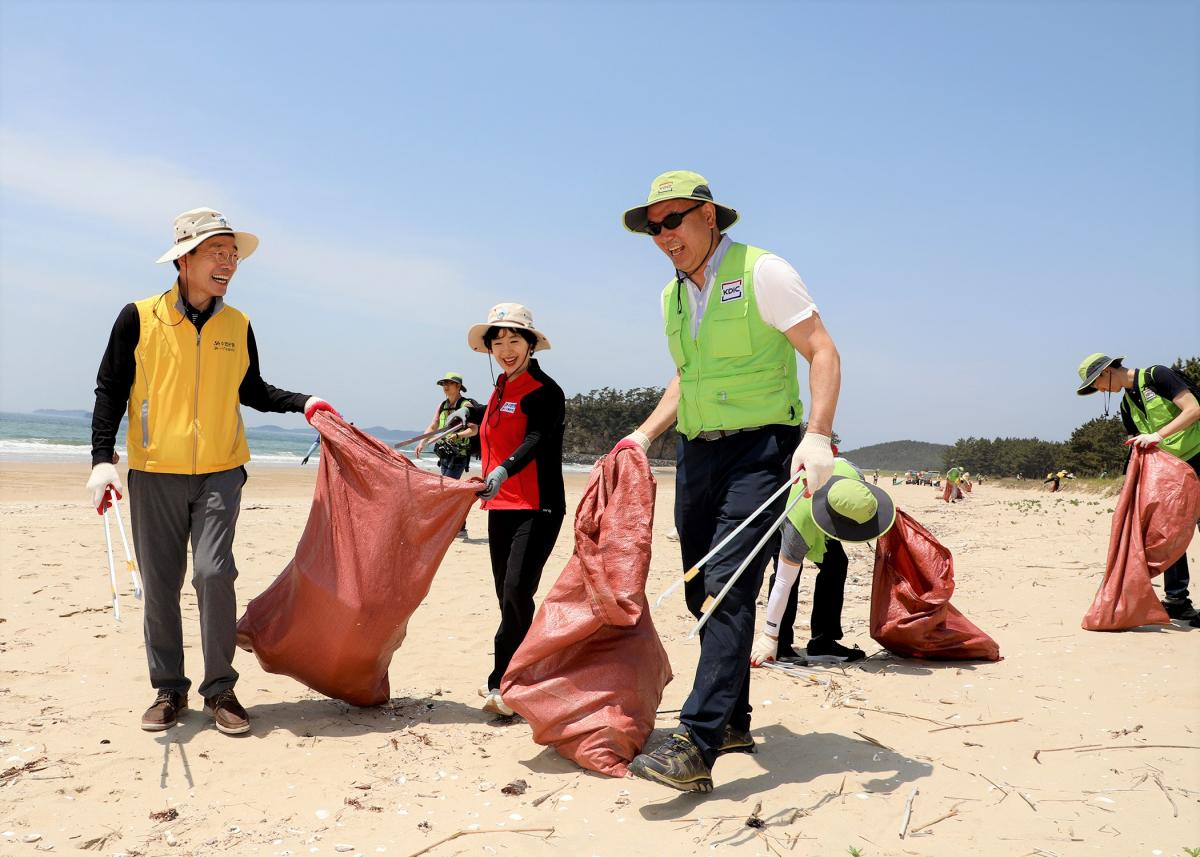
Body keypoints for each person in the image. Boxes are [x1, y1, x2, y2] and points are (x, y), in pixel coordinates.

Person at [616, 171, 841, 792]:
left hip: (761, 449)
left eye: (674, 220)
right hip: (697, 453)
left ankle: (697, 741)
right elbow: (685, 378)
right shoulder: (673, 295)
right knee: (699, 587)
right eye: (652, 227)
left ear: (709, 215)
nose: (663, 235)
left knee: (727, 586)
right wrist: (641, 435)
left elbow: (822, 350)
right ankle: (736, 718)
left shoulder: (763, 271)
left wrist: (817, 435)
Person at [87, 208, 333, 735]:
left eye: (233, 253)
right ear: (184, 259)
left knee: (214, 573)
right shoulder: (138, 316)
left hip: (222, 469)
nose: (229, 262)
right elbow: (109, 389)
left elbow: (252, 390)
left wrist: (304, 401)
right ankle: (169, 689)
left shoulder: (238, 324)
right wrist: (102, 461)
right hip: (154, 472)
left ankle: (220, 688)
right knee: (160, 583)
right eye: (217, 251)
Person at [448, 304, 565, 717]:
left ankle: (503, 681)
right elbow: (499, 414)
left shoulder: (546, 392)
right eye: (498, 343)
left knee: (516, 591)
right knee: (507, 597)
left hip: (538, 505)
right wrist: (470, 412)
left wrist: (501, 469)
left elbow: (535, 437)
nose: (506, 349)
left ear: (531, 344)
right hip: (500, 504)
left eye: (515, 340)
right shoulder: (500, 386)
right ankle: (527, 669)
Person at [1078, 353, 1200, 622]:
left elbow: (1193, 410)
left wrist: (1158, 435)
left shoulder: (1157, 376)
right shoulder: (1126, 403)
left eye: (1095, 383)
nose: (1098, 389)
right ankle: (1178, 600)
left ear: (1107, 371)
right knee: (1165, 532)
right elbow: (1136, 443)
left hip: (1198, 457)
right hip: (1171, 472)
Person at [751, 458, 885, 667]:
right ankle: (781, 643)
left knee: (836, 563)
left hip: (828, 503)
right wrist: (769, 636)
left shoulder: (853, 475)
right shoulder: (800, 526)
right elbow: (783, 583)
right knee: (789, 576)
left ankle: (823, 642)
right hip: (785, 510)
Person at [415, 372, 479, 536]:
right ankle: (458, 527)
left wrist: (458, 435)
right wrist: (422, 441)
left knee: (448, 491)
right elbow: (434, 425)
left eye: (450, 383)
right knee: (449, 490)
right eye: (444, 383)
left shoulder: (466, 406)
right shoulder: (442, 405)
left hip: (459, 454)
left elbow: (474, 429)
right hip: (444, 454)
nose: (445, 386)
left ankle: (458, 528)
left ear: (459, 386)